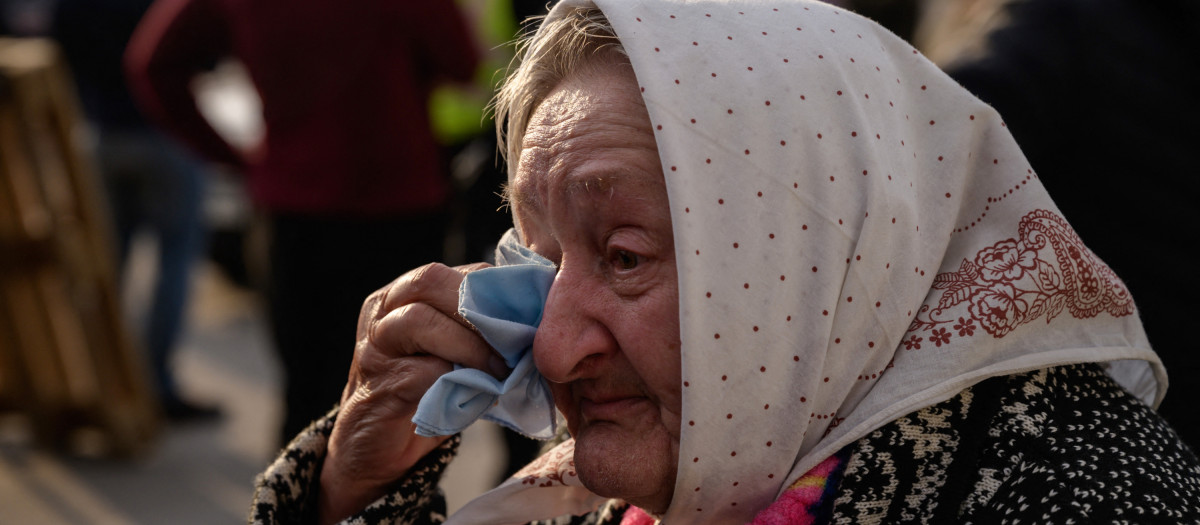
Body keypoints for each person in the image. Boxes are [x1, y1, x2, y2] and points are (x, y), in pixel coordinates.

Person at [250, 1, 1200, 523]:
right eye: (539, 258)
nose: (551, 344)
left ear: (823, 251)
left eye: (623, 255)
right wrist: (352, 489)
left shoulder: (1070, 489)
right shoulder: (609, 488)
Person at [124, 0, 481, 443]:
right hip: (398, 209)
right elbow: (463, 63)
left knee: (307, 394)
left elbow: (154, 64)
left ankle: (297, 501)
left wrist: (235, 159)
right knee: (400, 398)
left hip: (295, 211)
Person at [51, 0, 214, 420]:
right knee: (175, 261)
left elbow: (57, 53)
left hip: (101, 135)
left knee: (105, 264)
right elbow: (202, 54)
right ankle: (155, 383)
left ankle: (103, 382)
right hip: (164, 135)